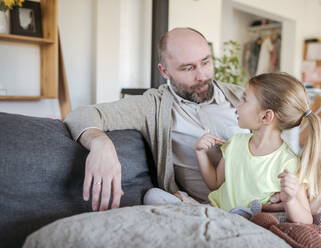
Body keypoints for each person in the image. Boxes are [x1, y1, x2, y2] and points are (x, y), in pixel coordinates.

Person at [64, 27, 247, 211]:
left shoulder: (241, 96)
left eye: (205, 62)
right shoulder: (152, 106)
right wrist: (100, 144)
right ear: (164, 72)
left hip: (259, 200)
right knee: (153, 197)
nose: (202, 76)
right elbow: (81, 114)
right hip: (204, 209)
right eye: (188, 68)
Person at [194, 72, 321, 224]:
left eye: (244, 100)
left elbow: (306, 220)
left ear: (266, 117)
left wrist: (290, 200)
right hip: (216, 216)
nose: (237, 105)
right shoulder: (235, 143)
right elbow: (214, 183)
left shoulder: (288, 163)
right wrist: (200, 152)